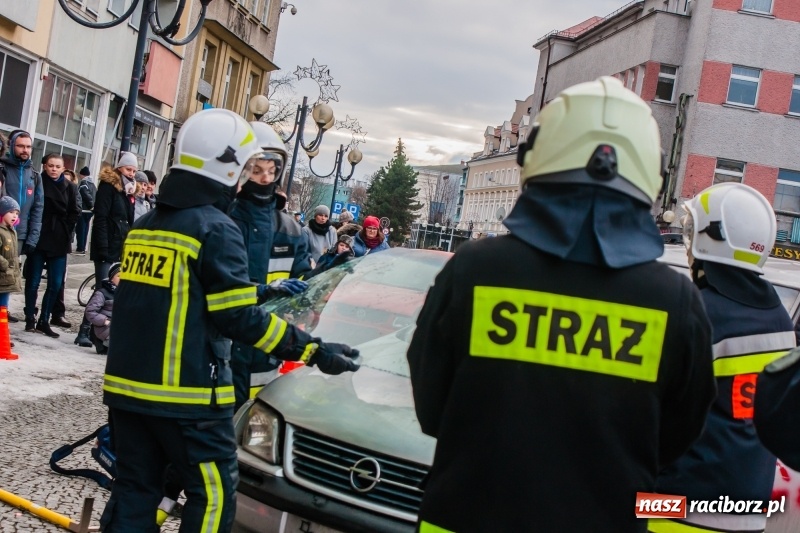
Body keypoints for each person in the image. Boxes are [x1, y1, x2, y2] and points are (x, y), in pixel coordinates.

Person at [406, 76, 716, 532]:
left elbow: (431, 403)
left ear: (535, 159)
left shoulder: (475, 269)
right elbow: (674, 437)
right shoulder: (676, 300)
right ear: (652, 174)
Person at [99, 108, 360, 533]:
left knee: (134, 491)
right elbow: (240, 319)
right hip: (189, 397)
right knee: (214, 493)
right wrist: (314, 350)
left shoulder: (145, 226)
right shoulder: (216, 229)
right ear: (229, 168)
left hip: (128, 390)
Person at [651, 183, 796, 533]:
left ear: (711, 238)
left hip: (675, 510)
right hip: (748, 512)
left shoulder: (697, 313)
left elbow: (651, 414)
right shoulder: (778, 316)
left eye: (690, 230)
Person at [228, 121, 313, 411]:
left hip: (266, 350)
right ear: (241, 169)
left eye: (271, 170)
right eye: (257, 169)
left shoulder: (291, 230)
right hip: (221, 347)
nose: (265, 178)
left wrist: (326, 272)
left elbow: (304, 288)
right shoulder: (221, 220)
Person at [77, 156, 135, 348]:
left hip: (120, 244)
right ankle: (84, 331)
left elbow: (127, 220)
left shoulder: (127, 191)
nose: (131, 174)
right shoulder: (108, 187)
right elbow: (101, 218)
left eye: (133, 171)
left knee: (113, 290)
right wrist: (101, 246)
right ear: (119, 169)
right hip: (107, 244)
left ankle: (96, 333)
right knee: (102, 290)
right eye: (128, 170)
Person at [23, 154, 79, 338]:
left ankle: (44, 319)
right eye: (51, 166)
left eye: (58, 166)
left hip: (59, 238)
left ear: (63, 169)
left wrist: (67, 230)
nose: (54, 169)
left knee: (55, 282)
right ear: (45, 166)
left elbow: (74, 211)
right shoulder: (38, 181)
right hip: (40, 235)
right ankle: (30, 316)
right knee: (33, 280)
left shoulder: (70, 187)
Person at [0, 130, 44, 322]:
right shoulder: (3, 168)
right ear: (11, 146)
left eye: (28, 146)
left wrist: (33, 236)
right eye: (21, 146)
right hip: (2, 231)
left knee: (8, 275)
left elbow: (38, 207)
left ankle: (3, 314)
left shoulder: (34, 174)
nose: (25, 150)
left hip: (19, 234)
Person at [50, 168, 81, 329]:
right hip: (48, 238)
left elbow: (76, 211)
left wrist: (68, 230)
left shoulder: (73, 192)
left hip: (63, 240)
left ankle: (57, 313)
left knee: (59, 280)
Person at [0, 196, 22, 358]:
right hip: (3, 276)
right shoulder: (1, 231)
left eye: (16, 212)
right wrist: (5, 266)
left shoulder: (11, 231)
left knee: (3, 309)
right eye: (10, 212)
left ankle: (3, 340)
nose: (14, 215)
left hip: (7, 279)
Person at [84, 262, 120, 355]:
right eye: (119, 276)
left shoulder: (127, 293)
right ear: (111, 278)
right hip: (105, 328)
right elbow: (90, 311)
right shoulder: (102, 293)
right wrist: (105, 321)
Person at [75, 166, 96, 255]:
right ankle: (83, 247)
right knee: (85, 228)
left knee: (80, 228)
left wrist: (90, 205)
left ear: (82, 174)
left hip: (84, 210)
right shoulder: (93, 184)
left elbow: (85, 195)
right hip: (90, 211)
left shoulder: (84, 183)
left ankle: (80, 248)